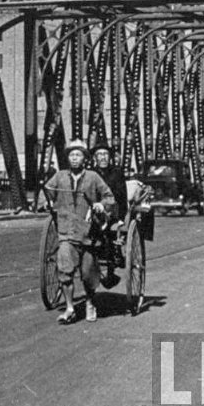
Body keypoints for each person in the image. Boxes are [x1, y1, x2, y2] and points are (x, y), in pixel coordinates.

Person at [45, 138, 116, 324]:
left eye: (78, 155)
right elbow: (48, 190)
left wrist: (101, 204)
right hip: (66, 231)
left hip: (88, 233)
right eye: (71, 155)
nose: (74, 158)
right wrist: (47, 201)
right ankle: (70, 307)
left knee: (88, 273)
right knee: (65, 268)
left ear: (84, 158)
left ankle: (90, 301)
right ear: (67, 158)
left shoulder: (93, 177)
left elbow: (109, 196)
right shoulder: (59, 176)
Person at [90, 141, 128, 284]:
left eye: (105, 154)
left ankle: (111, 267)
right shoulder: (90, 173)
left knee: (110, 231)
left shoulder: (116, 173)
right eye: (99, 154)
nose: (103, 157)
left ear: (110, 157)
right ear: (95, 158)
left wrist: (121, 218)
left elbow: (122, 197)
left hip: (112, 209)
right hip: (93, 209)